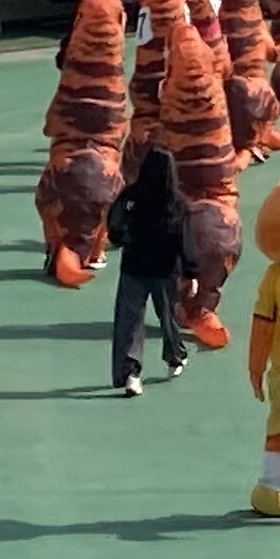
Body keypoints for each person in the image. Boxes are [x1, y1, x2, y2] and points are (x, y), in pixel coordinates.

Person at [105, 147, 194, 396]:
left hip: (135, 267)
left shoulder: (131, 195)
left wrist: (125, 240)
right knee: (166, 317)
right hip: (165, 270)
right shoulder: (177, 203)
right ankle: (166, 360)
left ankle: (135, 372)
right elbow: (185, 240)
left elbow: (115, 225)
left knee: (130, 322)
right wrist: (191, 272)